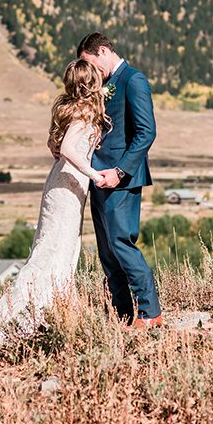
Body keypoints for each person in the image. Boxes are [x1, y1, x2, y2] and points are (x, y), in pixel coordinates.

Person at [0, 59, 108, 350]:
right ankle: (27, 312)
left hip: (61, 181)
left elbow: (54, 147)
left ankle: (57, 312)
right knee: (54, 249)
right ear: (91, 81)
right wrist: (94, 173)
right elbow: (69, 148)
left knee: (59, 247)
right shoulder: (84, 111)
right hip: (70, 183)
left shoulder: (67, 109)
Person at [74, 32, 162, 328]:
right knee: (107, 251)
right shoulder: (106, 84)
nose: (91, 72)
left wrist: (120, 171)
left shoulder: (133, 80)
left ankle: (150, 313)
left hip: (121, 179)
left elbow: (146, 133)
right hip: (98, 177)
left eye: (90, 63)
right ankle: (122, 315)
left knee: (122, 244)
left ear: (102, 51)